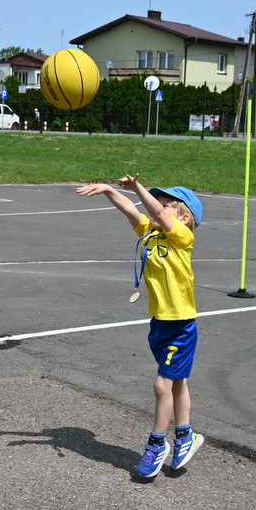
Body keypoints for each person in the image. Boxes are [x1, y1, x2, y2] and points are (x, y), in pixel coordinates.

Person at [75, 175, 204, 479]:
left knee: (162, 386)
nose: (155, 208)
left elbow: (155, 213)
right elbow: (130, 210)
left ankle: (157, 445)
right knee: (176, 383)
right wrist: (108, 190)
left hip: (181, 325)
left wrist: (137, 188)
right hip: (159, 324)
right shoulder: (151, 233)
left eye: (164, 205)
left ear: (183, 218)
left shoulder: (183, 237)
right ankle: (185, 436)